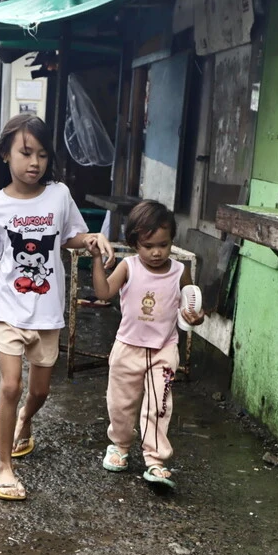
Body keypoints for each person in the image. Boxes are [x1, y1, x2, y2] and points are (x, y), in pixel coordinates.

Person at [0, 114, 114, 501]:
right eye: (26, 153)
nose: (34, 162)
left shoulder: (59, 195)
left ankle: (25, 419)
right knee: (12, 385)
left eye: (42, 154)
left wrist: (91, 239)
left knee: (40, 392)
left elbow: (69, 237)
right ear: (5, 154)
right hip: (8, 308)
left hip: (47, 311)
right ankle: (4, 467)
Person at [91, 200, 203, 489]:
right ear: (134, 244)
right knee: (120, 402)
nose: (156, 252)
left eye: (163, 245)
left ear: (172, 241)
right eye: (148, 245)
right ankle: (120, 446)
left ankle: (155, 460)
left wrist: (196, 316)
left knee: (158, 405)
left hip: (164, 349)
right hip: (127, 347)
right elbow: (103, 292)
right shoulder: (128, 267)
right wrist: (96, 260)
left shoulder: (180, 271)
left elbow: (190, 307)